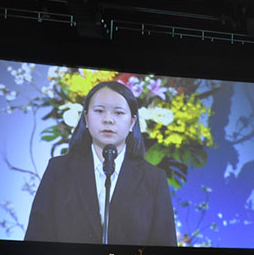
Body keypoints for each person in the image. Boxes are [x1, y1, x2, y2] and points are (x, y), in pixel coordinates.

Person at [25, 80, 177, 246]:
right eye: (99, 111)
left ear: (132, 122)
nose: (108, 119)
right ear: (86, 118)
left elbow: (164, 248)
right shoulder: (59, 170)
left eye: (118, 113)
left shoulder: (154, 178)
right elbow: (36, 240)